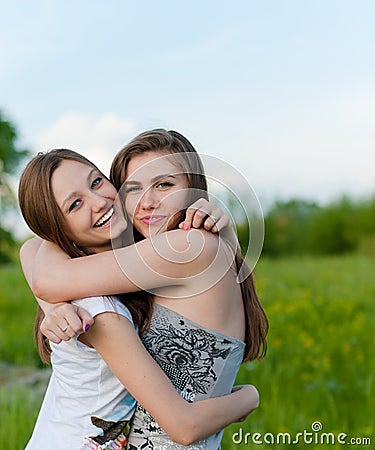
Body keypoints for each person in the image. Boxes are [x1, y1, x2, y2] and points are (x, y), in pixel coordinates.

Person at [24, 129, 268, 449]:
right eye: (133, 188)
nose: (147, 202)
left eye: (165, 185)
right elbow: (33, 249)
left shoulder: (187, 246)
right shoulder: (122, 280)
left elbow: (41, 264)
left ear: (195, 190)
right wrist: (55, 307)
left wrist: (251, 396)